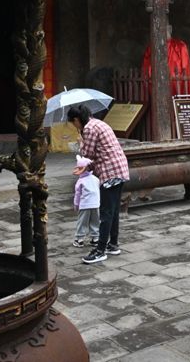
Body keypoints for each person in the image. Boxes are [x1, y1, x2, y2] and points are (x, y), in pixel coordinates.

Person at [69, 104, 129, 264]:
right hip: (120, 169)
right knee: (114, 210)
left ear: (76, 119)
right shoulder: (99, 123)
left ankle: (100, 250)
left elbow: (87, 154)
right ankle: (113, 244)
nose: (74, 126)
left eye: (73, 123)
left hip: (110, 172)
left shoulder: (88, 128)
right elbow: (100, 154)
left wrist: (80, 141)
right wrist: (85, 169)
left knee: (106, 213)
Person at [72, 155, 100, 248]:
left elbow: (77, 195)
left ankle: (79, 239)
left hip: (85, 205)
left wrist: (76, 205)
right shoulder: (96, 179)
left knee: (82, 222)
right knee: (95, 221)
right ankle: (95, 238)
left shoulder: (81, 181)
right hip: (96, 204)